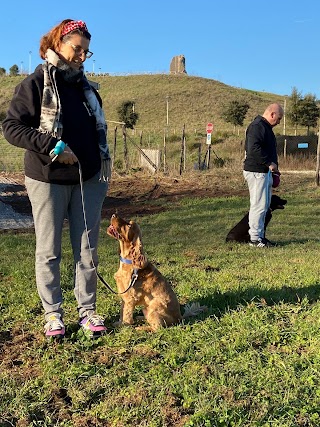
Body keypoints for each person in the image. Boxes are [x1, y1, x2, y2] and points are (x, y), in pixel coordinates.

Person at [3, 19, 111, 339]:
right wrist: (52, 146)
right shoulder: (35, 84)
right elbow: (12, 127)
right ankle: (53, 314)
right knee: (49, 250)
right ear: (57, 43)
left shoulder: (87, 89)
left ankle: (88, 312)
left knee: (87, 250)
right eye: (76, 48)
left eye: (86, 52)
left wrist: (101, 168)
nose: (81, 56)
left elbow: (97, 132)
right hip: (47, 178)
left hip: (88, 180)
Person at [243, 103, 284, 248]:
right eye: (279, 118)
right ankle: (254, 239)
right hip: (256, 171)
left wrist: (273, 168)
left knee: (264, 205)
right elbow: (253, 148)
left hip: (264, 171)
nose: (279, 122)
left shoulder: (265, 127)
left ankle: (260, 236)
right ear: (272, 114)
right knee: (258, 205)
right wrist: (269, 163)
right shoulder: (257, 126)